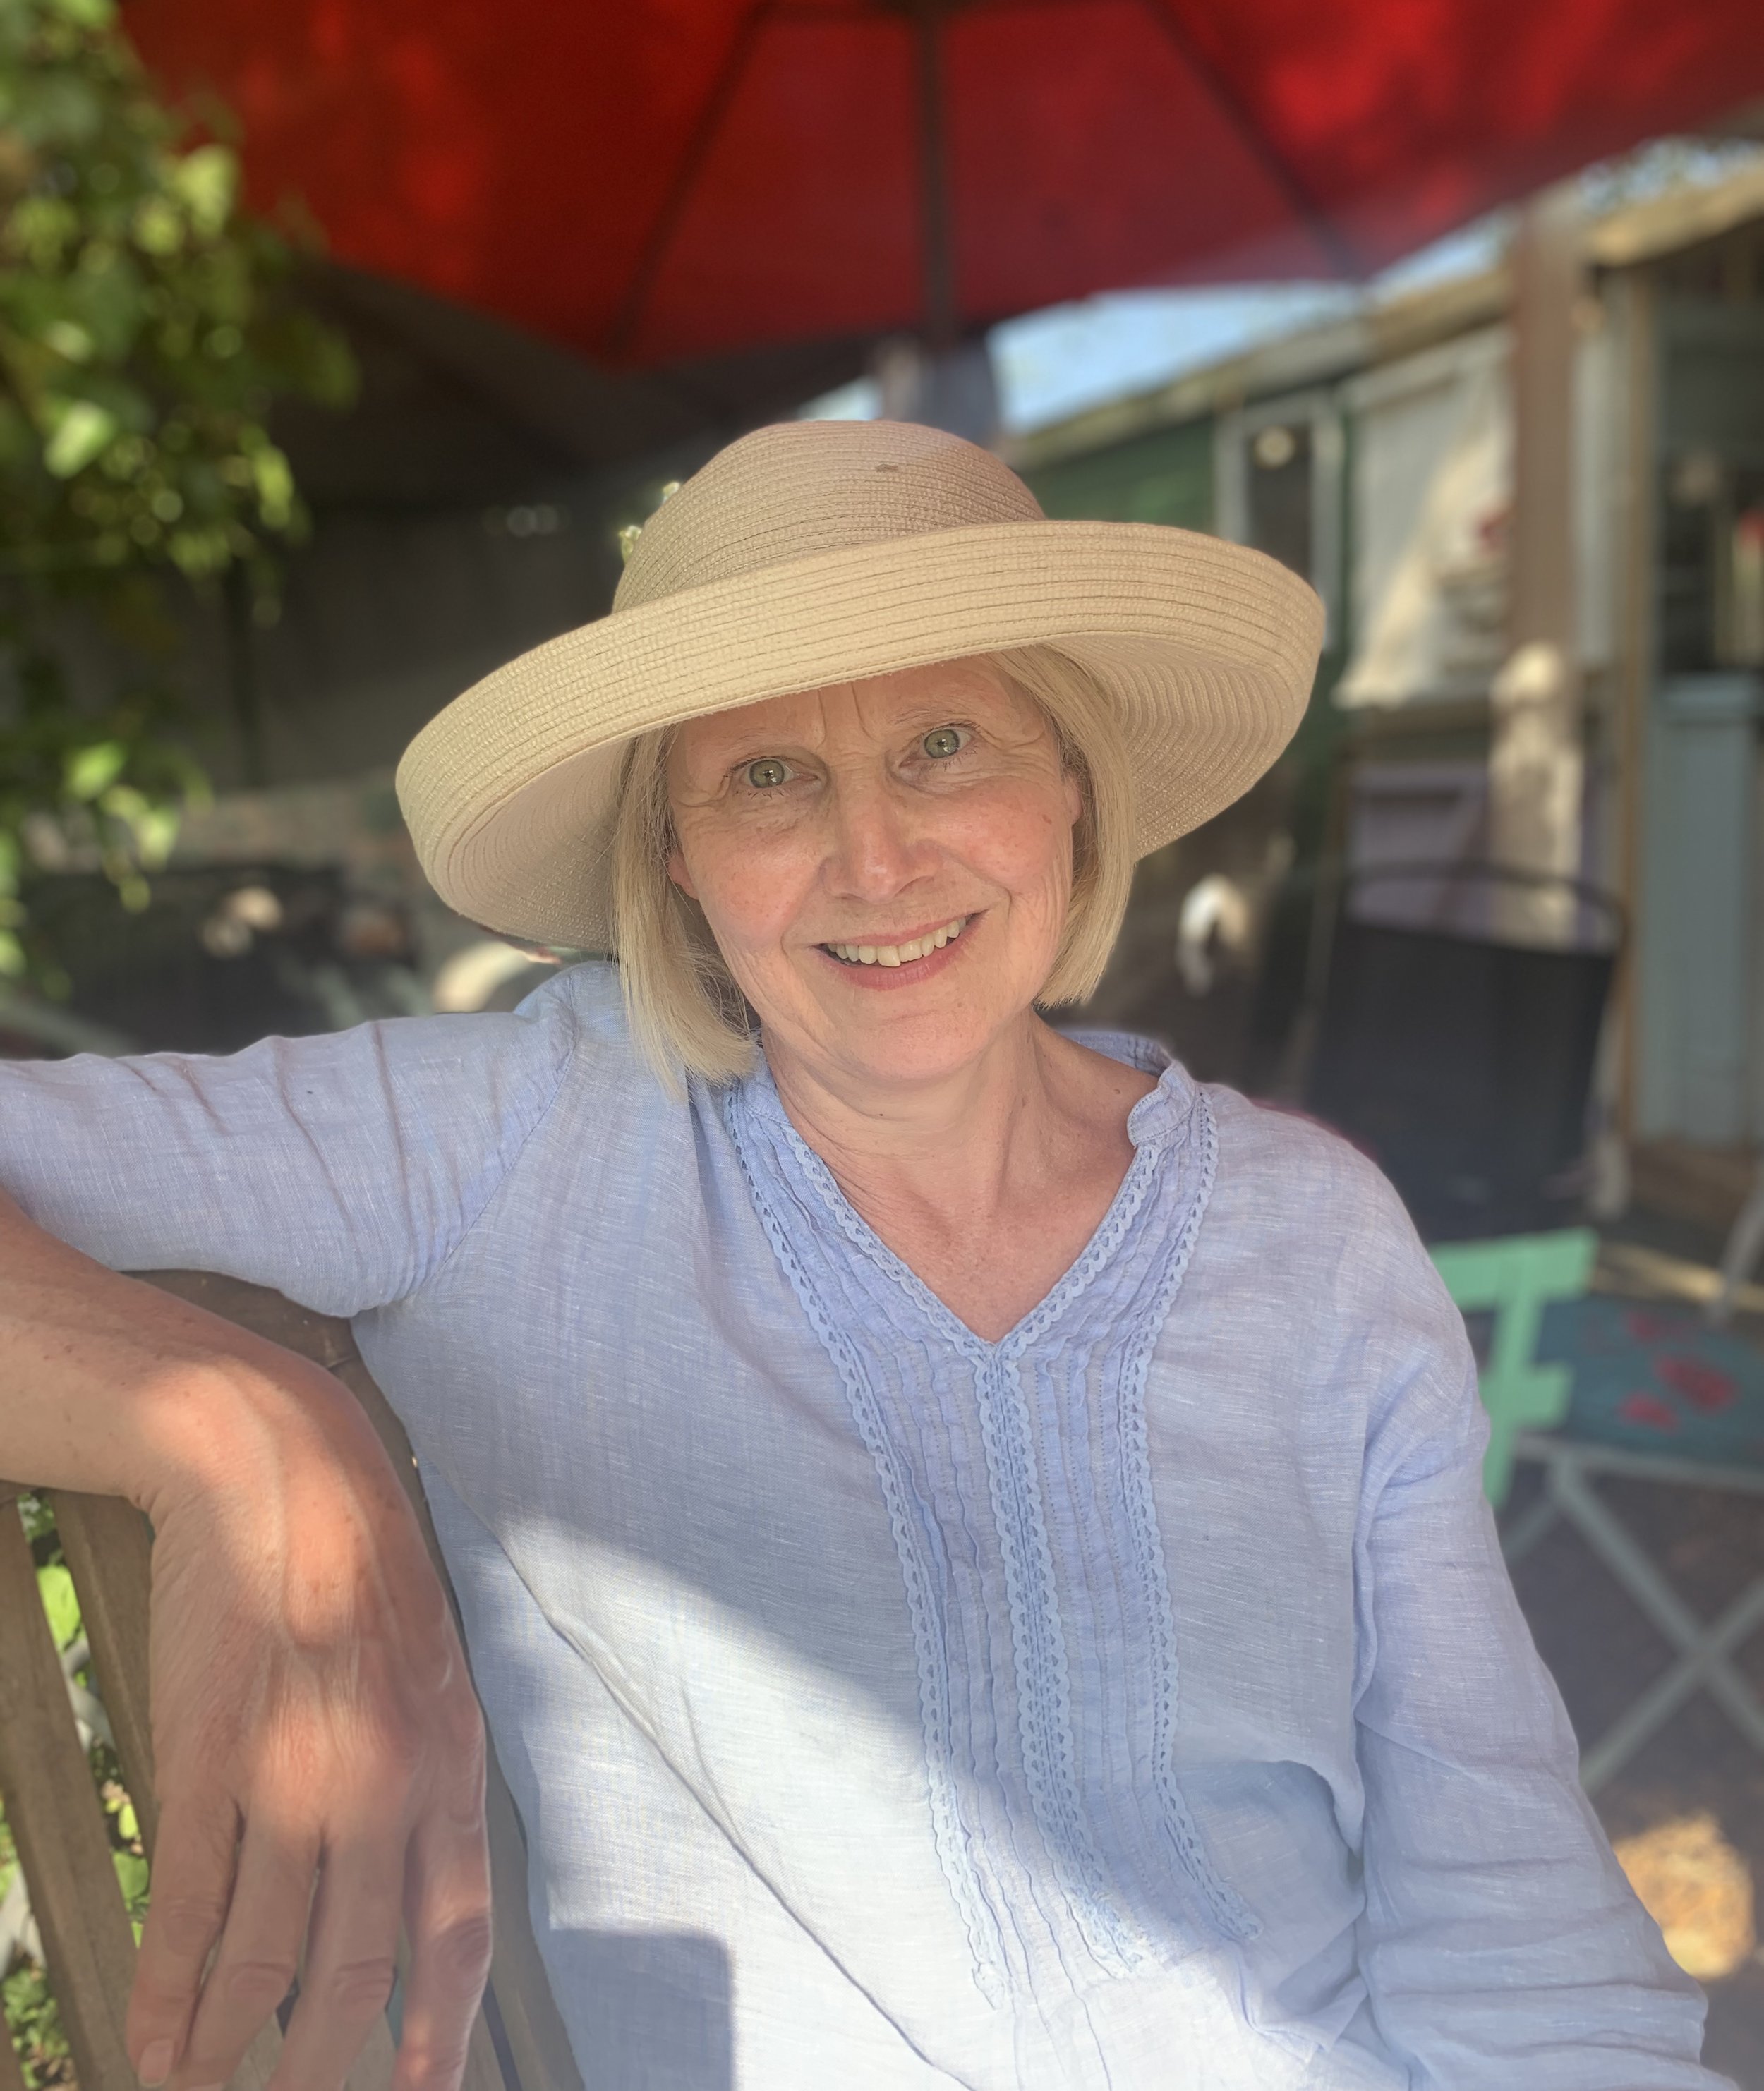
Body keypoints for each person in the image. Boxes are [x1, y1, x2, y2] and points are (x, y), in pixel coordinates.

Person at [0, 423, 1727, 2091]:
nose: (875, 855)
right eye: (768, 774)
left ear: (1069, 778)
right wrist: (229, 1419)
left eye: (946, 742)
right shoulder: (527, 1130)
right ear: (673, 861)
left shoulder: (1315, 1234)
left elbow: (1506, 1919)